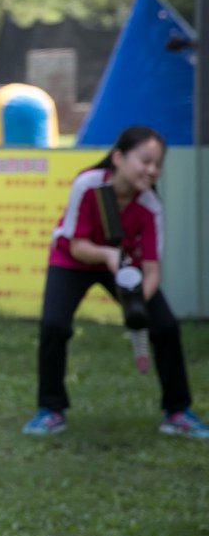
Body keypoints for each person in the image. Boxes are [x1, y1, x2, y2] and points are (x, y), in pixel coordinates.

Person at [22, 126, 207, 438]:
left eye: (157, 164)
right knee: (54, 326)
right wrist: (107, 254)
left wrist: (136, 305)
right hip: (73, 259)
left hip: (122, 266)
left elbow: (152, 270)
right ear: (118, 157)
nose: (152, 170)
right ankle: (50, 410)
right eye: (145, 160)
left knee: (165, 326)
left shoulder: (150, 206)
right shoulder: (89, 184)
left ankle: (177, 412)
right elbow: (77, 244)